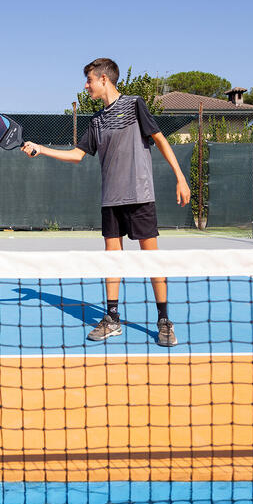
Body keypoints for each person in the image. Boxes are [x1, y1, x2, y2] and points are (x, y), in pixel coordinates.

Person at [21, 58, 191, 346]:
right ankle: (112, 318)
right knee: (112, 259)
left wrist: (180, 177)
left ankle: (164, 321)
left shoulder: (135, 104)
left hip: (140, 195)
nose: (86, 86)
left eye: (89, 80)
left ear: (104, 79)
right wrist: (41, 149)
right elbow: (76, 155)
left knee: (153, 260)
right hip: (111, 199)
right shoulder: (96, 121)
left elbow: (160, 139)